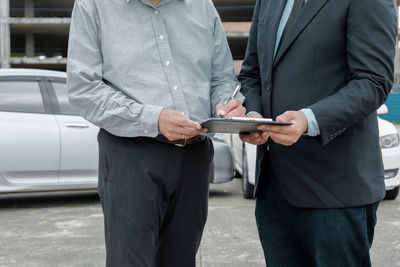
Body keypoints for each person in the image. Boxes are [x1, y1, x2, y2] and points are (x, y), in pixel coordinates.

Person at [67, 0, 245, 266]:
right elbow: (84, 89)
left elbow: (222, 78)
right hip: (130, 155)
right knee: (130, 261)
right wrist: (154, 119)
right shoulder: (94, 6)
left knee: (180, 259)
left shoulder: (202, 7)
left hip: (195, 155)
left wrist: (227, 103)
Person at [238, 0, 397, 266]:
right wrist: (253, 116)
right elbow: (252, 74)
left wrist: (309, 120)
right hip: (274, 190)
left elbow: (373, 81)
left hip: (336, 191)